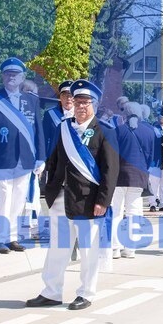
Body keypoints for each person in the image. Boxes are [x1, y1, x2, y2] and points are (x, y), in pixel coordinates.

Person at [26, 80, 118, 310]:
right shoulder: (64, 128)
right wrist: (49, 190)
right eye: (77, 102)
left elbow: (111, 170)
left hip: (88, 200)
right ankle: (51, 292)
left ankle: (86, 293)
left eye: (85, 103)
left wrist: (103, 201)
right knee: (58, 248)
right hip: (60, 198)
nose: (80, 107)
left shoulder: (105, 131)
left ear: (94, 105)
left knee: (88, 250)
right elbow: (54, 160)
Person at [0, 58, 45, 254]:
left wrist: (41, 157)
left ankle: (12, 237)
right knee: (2, 199)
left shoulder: (32, 100)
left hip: (25, 158)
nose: (11, 77)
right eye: (8, 74)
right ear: (3, 76)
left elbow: (38, 130)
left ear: (22, 77)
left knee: (19, 200)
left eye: (15, 74)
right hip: (2, 158)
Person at [108, 112, 150, 259]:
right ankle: (130, 248)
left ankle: (114, 248)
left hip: (119, 176)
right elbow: (150, 155)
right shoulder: (147, 131)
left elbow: (111, 153)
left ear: (124, 117)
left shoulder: (118, 130)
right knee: (134, 213)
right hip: (138, 176)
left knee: (116, 213)